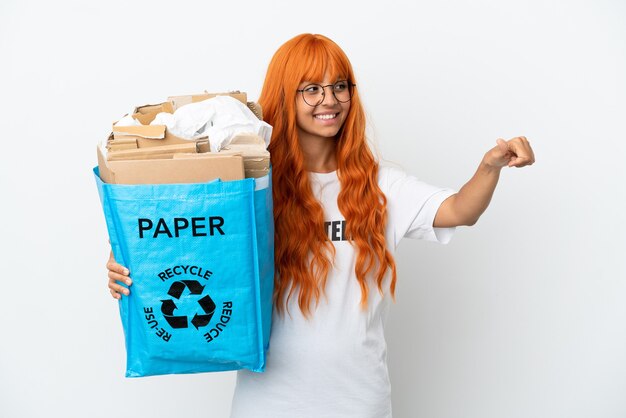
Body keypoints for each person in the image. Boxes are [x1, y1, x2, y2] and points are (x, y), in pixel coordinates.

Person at [106, 33, 535, 418]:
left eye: (339, 86)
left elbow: (460, 210)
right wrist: (127, 260)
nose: (328, 100)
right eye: (310, 89)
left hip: (359, 404)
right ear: (285, 96)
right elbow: (182, 237)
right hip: (268, 405)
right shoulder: (250, 188)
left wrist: (488, 166)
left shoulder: (381, 185)